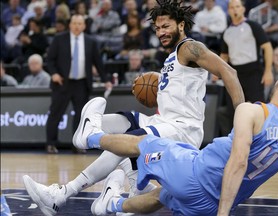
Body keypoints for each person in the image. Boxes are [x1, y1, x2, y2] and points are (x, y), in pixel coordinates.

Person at [22, 1, 245, 215]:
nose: (161, 32)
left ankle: (65, 189)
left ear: (181, 25)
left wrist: (242, 119)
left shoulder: (189, 47)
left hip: (182, 130)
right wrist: (157, 82)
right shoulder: (172, 56)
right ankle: (101, 146)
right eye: (157, 28)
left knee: (128, 141)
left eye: (166, 26)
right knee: (124, 123)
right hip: (164, 122)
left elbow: (229, 73)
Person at [24, 67, 278, 215]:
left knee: (141, 143)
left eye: (165, 24)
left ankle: (90, 136)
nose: (161, 30)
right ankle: (111, 204)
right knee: (160, 196)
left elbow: (238, 162)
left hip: (194, 169)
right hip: (211, 202)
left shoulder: (254, 111)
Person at [45, 14, 112, 154]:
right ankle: (51, 143)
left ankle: (77, 145)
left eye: (79, 23)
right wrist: (54, 74)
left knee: (81, 116)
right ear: (70, 24)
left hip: (81, 83)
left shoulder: (90, 41)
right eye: (74, 23)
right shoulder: (59, 39)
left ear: (84, 26)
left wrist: (106, 79)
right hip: (62, 82)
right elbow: (49, 60)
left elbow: (98, 63)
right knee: (56, 114)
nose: (76, 26)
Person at [216, 0, 274, 135]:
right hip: (235, 74)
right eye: (232, 7)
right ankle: (234, 140)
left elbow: (267, 47)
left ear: (243, 9)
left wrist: (268, 71)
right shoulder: (227, 32)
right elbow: (224, 56)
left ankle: (263, 138)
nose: (235, 10)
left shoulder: (253, 26)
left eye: (237, 7)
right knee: (233, 110)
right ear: (228, 10)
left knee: (258, 107)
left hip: (253, 72)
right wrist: (216, 71)